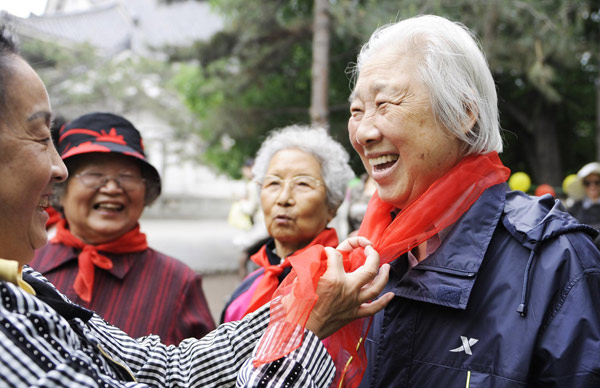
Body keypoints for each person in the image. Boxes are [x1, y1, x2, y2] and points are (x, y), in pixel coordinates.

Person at [0, 25, 394, 387]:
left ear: (334, 202)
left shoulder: (27, 285)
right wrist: (304, 329)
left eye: (303, 184)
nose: (59, 169)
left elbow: (170, 368)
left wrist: (299, 308)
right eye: (39, 137)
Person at [258, 15, 600, 387]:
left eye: (386, 103)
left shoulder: (553, 260)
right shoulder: (367, 255)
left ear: (463, 114)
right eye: (357, 111)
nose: (364, 132)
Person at [30, 112, 216, 345]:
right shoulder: (25, 266)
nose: (111, 188)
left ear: (145, 192)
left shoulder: (178, 282)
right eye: (94, 175)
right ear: (59, 190)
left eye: (126, 176)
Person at [222, 125, 354, 323]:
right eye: (273, 183)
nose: (283, 198)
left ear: (332, 205)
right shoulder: (250, 284)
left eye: (302, 184)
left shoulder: (344, 285)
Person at [566, 162, 600, 230]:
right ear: (583, 185)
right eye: (587, 183)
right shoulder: (575, 207)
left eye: (597, 182)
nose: (592, 186)